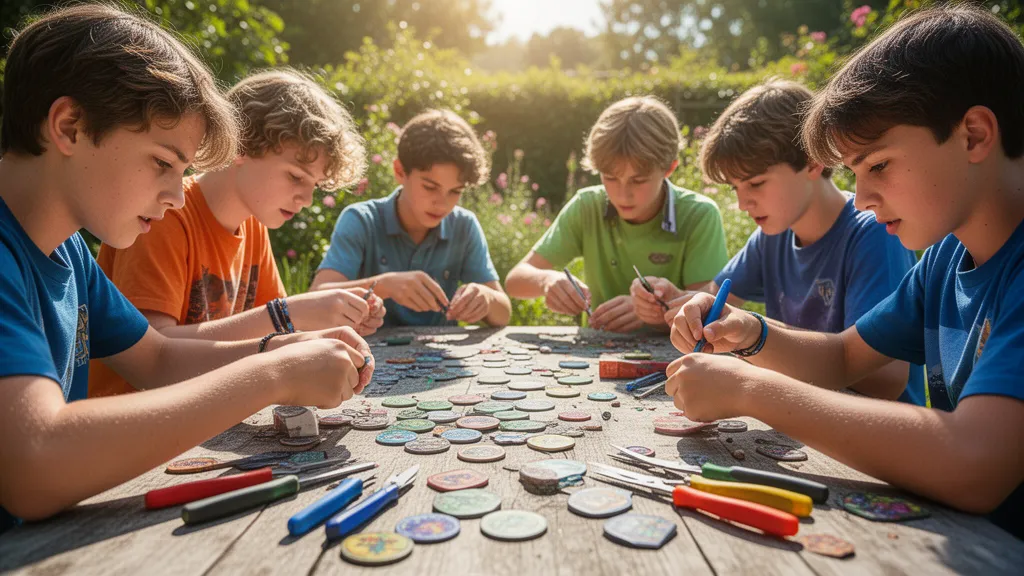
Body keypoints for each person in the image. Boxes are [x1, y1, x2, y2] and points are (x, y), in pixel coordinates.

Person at [0, 4, 371, 532]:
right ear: (70, 125)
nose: (178, 195)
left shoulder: (67, 251)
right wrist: (271, 374)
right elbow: (32, 465)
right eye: (161, 162)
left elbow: (157, 357)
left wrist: (280, 347)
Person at [666, 4, 1024, 538]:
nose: (863, 196)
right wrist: (754, 332)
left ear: (973, 134)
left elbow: (974, 462)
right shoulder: (947, 259)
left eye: (878, 165)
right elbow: (844, 356)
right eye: (855, 172)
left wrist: (749, 391)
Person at [89, 68, 385, 397]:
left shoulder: (254, 223)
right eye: (295, 177)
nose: (306, 199)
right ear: (241, 143)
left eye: (314, 185)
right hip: (131, 425)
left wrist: (331, 321)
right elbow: (153, 348)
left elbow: (269, 329)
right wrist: (288, 314)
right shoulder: (163, 214)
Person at [634, 79, 922, 403]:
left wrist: (756, 335)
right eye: (735, 188)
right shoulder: (772, 237)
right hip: (799, 424)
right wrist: (684, 304)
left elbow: (886, 380)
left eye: (756, 183)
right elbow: (715, 304)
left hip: (871, 436)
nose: (742, 204)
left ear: (814, 161)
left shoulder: (872, 235)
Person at [505, 96, 728, 332]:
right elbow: (516, 280)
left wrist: (653, 312)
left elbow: (709, 311)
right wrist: (546, 281)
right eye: (610, 178)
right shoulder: (587, 205)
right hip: (595, 353)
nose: (623, 195)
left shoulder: (699, 215)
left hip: (675, 357)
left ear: (669, 168)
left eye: (638, 180)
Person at [311, 109, 511, 327]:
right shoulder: (361, 220)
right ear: (400, 171)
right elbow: (316, 297)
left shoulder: (464, 225)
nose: (442, 203)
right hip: (367, 354)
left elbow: (503, 313)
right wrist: (385, 285)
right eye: (430, 187)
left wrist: (488, 299)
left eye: (455, 191)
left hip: (441, 358)